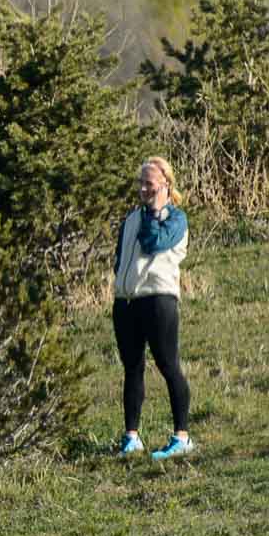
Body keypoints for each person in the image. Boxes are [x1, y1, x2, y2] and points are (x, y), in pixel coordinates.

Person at [113, 156, 193, 459]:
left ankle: (181, 436)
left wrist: (155, 211)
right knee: (132, 368)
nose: (144, 188)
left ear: (166, 185)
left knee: (168, 365)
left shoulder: (175, 218)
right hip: (127, 303)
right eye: (141, 183)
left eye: (150, 183)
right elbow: (121, 257)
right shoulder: (131, 218)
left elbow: (153, 242)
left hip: (159, 300)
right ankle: (131, 437)